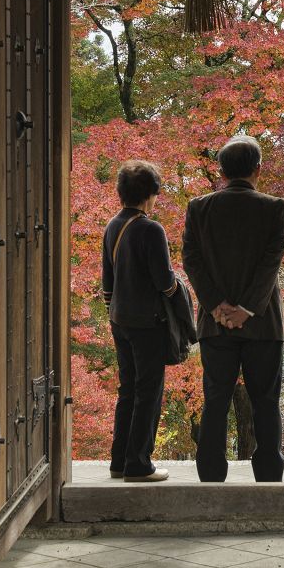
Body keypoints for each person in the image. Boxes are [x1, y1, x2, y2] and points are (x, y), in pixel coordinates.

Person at [183, 134, 284, 482]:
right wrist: (248, 308)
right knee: (265, 400)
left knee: (215, 398)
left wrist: (216, 306)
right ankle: (269, 470)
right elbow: (270, 262)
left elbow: (191, 260)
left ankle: (211, 471)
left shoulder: (199, 207)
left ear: (222, 171)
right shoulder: (275, 208)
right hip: (263, 324)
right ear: (258, 170)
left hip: (215, 324)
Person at [102, 159, 179, 483]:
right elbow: (165, 281)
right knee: (149, 390)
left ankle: (120, 460)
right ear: (151, 193)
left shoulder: (112, 226)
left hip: (119, 318)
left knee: (128, 389)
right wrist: (178, 292)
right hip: (147, 321)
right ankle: (139, 463)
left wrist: (115, 307)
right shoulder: (150, 229)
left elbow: (107, 281)